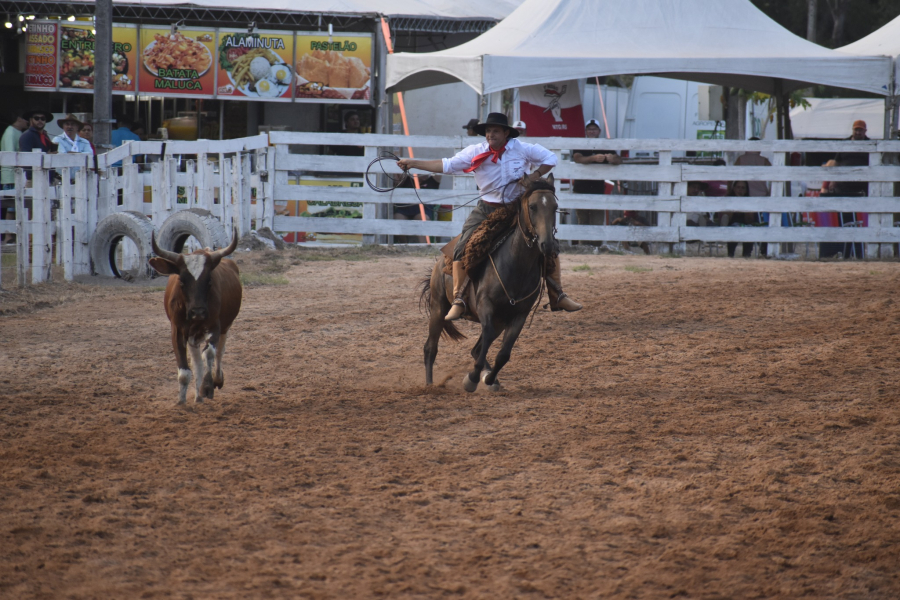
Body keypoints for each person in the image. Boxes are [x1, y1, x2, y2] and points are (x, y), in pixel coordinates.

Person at [397, 112, 581, 320]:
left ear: (505, 133)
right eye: (487, 131)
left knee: (547, 240)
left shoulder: (521, 149)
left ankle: (557, 294)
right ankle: (459, 298)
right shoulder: (476, 152)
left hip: (517, 210)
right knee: (462, 246)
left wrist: (534, 176)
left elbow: (551, 158)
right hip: (487, 209)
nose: (490, 135)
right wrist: (414, 163)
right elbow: (447, 165)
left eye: (495, 131)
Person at [571, 118, 622, 231]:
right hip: (581, 188)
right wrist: (593, 158)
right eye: (589, 129)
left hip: (598, 189)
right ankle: (583, 247)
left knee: (597, 221)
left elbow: (619, 159)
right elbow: (577, 158)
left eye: (594, 129)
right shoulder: (581, 144)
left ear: (599, 131)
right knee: (582, 221)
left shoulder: (605, 145)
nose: (592, 131)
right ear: (586, 131)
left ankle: (597, 247)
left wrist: (612, 158)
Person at [1, 109, 28, 242]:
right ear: (19, 119)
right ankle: (8, 235)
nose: (27, 122)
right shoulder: (11, 132)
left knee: (15, 206)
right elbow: (11, 154)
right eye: (25, 119)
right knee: (11, 206)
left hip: (16, 174)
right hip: (10, 174)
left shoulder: (17, 132)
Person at [723, 180, 767, 258]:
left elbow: (749, 220)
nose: (740, 190)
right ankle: (730, 254)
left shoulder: (749, 201)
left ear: (746, 190)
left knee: (749, 230)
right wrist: (734, 204)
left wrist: (744, 205)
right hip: (732, 223)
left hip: (746, 224)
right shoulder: (728, 199)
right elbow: (727, 219)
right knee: (734, 229)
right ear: (734, 188)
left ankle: (746, 255)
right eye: (738, 187)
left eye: (743, 188)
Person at [393, 174, 441, 243]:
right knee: (397, 218)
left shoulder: (433, 180)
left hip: (423, 210)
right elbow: (397, 176)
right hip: (404, 209)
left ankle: (424, 247)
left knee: (422, 219)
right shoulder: (406, 179)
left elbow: (440, 169)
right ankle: (404, 244)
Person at [832, 119, 870, 196]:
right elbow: (836, 161)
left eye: (860, 130)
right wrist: (833, 179)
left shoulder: (871, 144)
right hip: (844, 182)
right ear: (852, 130)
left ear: (865, 131)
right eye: (856, 130)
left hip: (863, 183)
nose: (858, 132)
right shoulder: (844, 143)